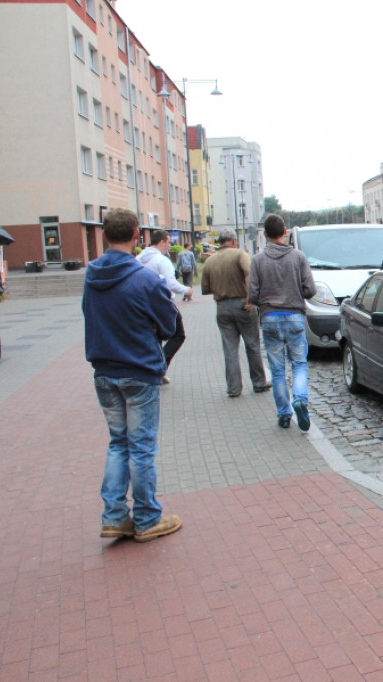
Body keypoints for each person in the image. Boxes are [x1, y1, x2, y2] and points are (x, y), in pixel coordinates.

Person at [83, 208, 182, 543]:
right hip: (138, 369)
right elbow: (170, 325)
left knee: (118, 443)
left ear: (104, 235)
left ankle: (114, 517)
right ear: (137, 234)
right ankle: (146, 518)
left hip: (104, 370)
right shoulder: (144, 280)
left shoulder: (91, 276)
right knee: (140, 447)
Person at [248, 214, 316, 430]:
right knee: (299, 364)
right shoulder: (298, 257)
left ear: (265, 234)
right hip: (295, 316)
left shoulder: (258, 260)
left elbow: (252, 294)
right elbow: (310, 290)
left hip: (269, 318)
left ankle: (284, 414)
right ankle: (300, 400)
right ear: (285, 232)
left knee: (277, 370)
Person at [201, 229, 271, 398]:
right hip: (242, 305)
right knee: (252, 345)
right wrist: (249, 298)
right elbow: (249, 274)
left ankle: (233, 389)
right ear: (233, 241)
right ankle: (259, 383)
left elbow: (205, 288)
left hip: (222, 307)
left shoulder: (210, 261)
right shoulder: (240, 254)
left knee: (230, 349)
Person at [136, 230, 191, 384]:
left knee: (155, 337)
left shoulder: (138, 258)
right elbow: (170, 283)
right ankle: (159, 368)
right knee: (178, 334)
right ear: (161, 242)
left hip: (142, 304)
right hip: (162, 304)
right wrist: (186, 290)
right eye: (168, 242)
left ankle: (153, 369)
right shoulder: (162, 260)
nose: (169, 246)